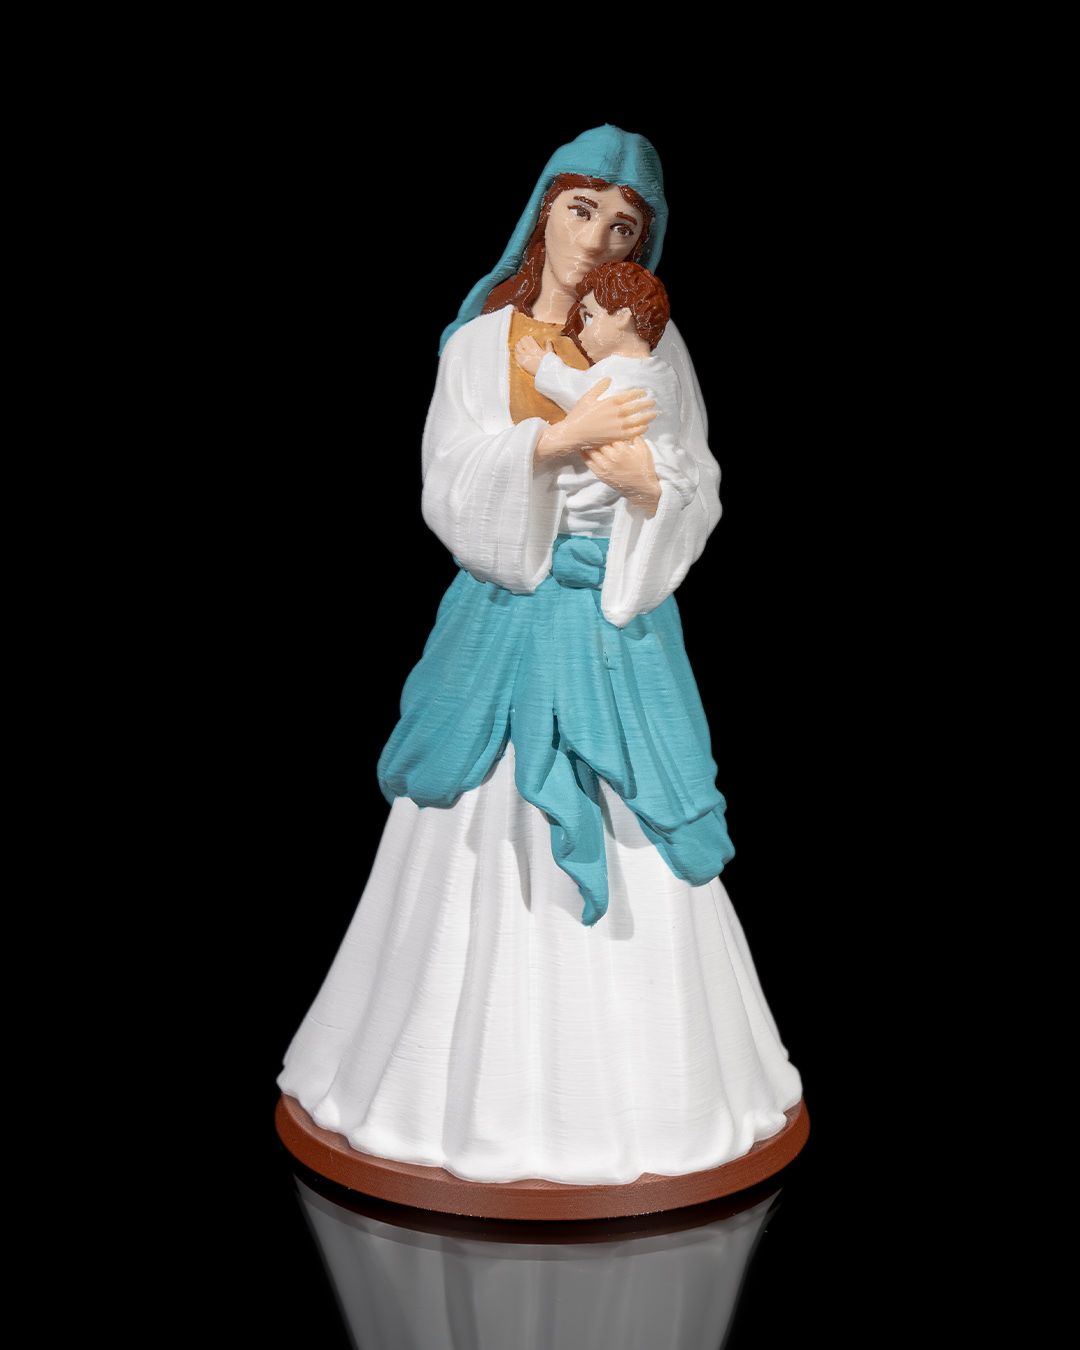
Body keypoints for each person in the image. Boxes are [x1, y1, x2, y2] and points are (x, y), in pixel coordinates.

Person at [277, 125, 803, 1187]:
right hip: (507, 613)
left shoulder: (659, 351)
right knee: (470, 810)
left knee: (642, 798)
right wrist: (547, 447)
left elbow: (694, 476)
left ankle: (646, 1092)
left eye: (625, 226)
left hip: (614, 622)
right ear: (543, 214)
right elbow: (447, 480)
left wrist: (653, 494)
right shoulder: (482, 346)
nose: (598, 237)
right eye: (581, 210)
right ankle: (453, 1082)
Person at [514, 258, 697, 527]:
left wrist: (544, 365)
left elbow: (580, 393)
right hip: (655, 469)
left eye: (589, 317)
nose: (582, 332)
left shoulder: (620, 370)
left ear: (622, 316)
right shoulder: (664, 373)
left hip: (610, 490)